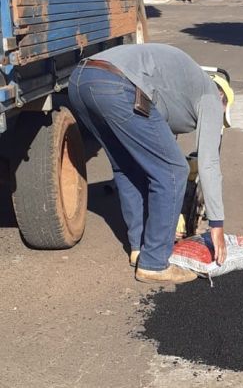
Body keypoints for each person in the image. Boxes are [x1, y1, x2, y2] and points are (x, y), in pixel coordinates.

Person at [67, 44, 234, 284]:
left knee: (127, 166)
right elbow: (208, 164)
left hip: (80, 80)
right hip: (116, 84)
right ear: (223, 97)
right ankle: (154, 263)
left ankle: (139, 247)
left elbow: (155, 128)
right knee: (174, 171)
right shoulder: (210, 94)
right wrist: (216, 225)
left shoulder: (181, 81)